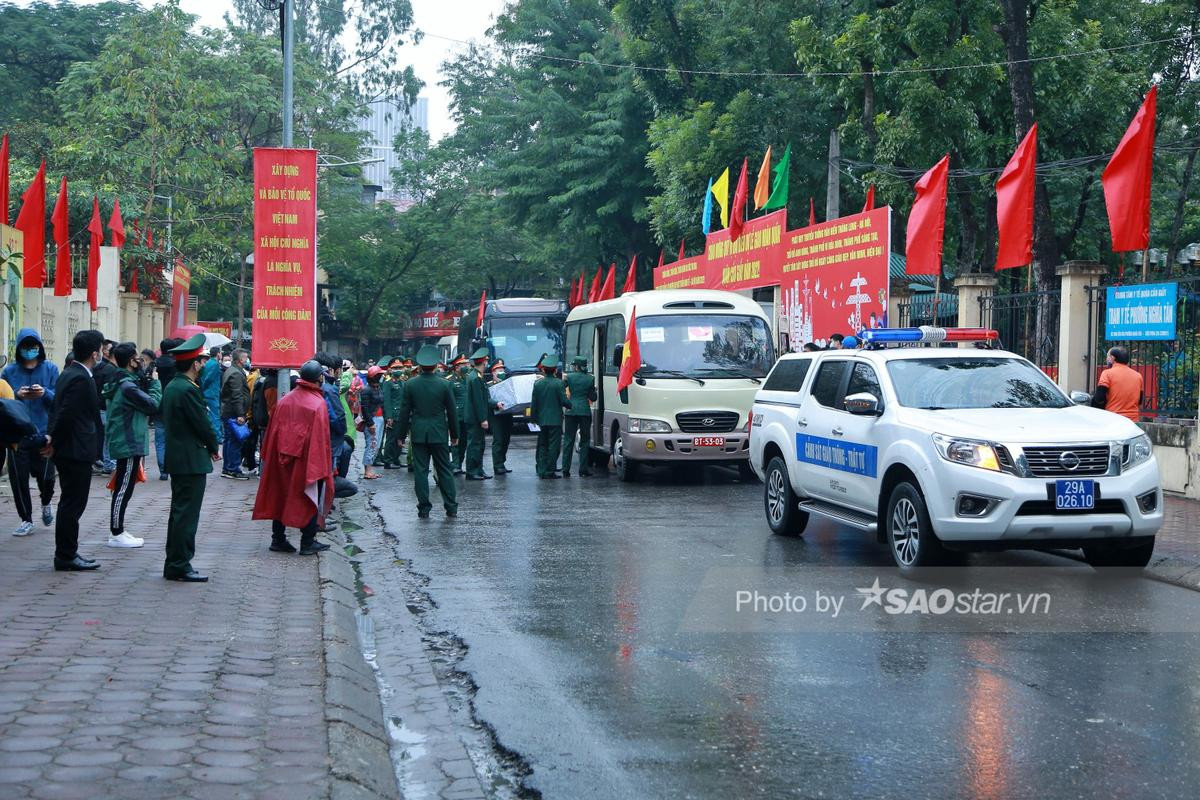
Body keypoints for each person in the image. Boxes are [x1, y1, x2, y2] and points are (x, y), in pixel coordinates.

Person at [253, 360, 334, 555]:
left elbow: (272, 433)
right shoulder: (317, 404)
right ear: (319, 379)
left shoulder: (286, 400)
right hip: (306, 460)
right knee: (309, 496)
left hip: (281, 457)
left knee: (279, 495)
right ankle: (308, 542)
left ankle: (278, 539)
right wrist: (322, 467)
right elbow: (320, 440)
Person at [46, 329, 106, 571]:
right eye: (101, 350)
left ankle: (68, 551)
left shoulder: (71, 372)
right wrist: (54, 441)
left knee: (70, 503)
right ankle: (66, 554)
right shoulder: (80, 377)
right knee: (72, 504)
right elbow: (65, 414)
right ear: (94, 353)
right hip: (75, 450)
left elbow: (58, 410)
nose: (103, 354)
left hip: (72, 448)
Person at [161, 334, 221, 582]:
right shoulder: (187, 389)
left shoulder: (175, 386)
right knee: (186, 515)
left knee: (179, 513)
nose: (204, 365)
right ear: (194, 364)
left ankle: (175, 561)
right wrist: (213, 444)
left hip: (180, 458)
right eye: (201, 361)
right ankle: (179, 564)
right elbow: (202, 424)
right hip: (190, 459)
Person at [103, 342, 161, 548]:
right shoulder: (127, 386)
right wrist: (155, 384)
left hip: (129, 440)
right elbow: (153, 404)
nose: (140, 361)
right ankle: (116, 532)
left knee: (124, 487)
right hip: (127, 441)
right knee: (123, 488)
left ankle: (118, 530)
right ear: (130, 361)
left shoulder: (124, 381)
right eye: (137, 357)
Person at [2, 328, 59, 535]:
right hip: (17, 435)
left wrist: (44, 393)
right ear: (18, 348)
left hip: (43, 433)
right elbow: (4, 401)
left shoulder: (51, 369)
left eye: (33, 346)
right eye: (25, 346)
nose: (29, 350)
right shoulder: (9, 372)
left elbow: (57, 401)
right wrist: (17, 395)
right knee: (19, 479)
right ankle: (26, 518)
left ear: (40, 347)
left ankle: (46, 502)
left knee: (47, 477)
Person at [394, 344, 459, 518]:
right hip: (439, 433)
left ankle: (424, 508)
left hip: (419, 434)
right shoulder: (445, 384)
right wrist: (455, 435)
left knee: (421, 472)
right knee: (445, 470)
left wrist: (400, 436)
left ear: (420, 366)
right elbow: (452, 412)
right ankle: (451, 507)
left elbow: (404, 412)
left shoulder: (410, 384)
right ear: (437, 364)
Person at [530, 356, 571, 479]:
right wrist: (571, 404)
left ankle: (542, 470)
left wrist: (533, 419)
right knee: (554, 447)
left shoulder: (537, 384)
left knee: (542, 445)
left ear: (544, 370)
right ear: (555, 370)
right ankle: (549, 470)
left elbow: (534, 403)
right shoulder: (558, 384)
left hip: (542, 420)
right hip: (555, 420)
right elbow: (564, 401)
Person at [152, 338, 182, 479]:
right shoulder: (177, 365)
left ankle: (163, 469)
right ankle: (173, 466)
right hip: (173, 404)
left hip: (157, 404)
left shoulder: (154, 364)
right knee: (174, 437)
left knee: (160, 438)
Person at [562, 355, 597, 477]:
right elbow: (593, 397)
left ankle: (565, 469)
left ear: (576, 366)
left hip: (571, 410)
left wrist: (565, 401)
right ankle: (583, 470)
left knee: (568, 440)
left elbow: (561, 389)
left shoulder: (569, 377)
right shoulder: (590, 379)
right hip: (584, 411)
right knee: (585, 440)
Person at [219, 348, 251, 479]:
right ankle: (233, 469)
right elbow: (236, 395)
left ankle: (227, 468)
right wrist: (240, 414)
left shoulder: (231, 371)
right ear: (240, 359)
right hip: (233, 412)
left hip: (228, 411)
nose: (247, 360)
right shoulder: (236, 374)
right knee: (234, 441)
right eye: (245, 357)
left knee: (228, 440)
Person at [462, 348, 492, 480]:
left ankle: (479, 469)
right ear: (483, 362)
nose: (487, 363)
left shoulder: (477, 376)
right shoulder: (475, 378)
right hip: (475, 418)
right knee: (474, 445)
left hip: (476, 417)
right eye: (486, 361)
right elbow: (478, 401)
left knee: (480, 445)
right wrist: (483, 419)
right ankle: (472, 471)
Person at [1092, 346, 1143, 422]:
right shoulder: (1138, 376)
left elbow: (1099, 398)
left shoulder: (1107, 374)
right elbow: (1140, 401)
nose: (1107, 359)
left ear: (1112, 358)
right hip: (1133, 420)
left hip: (1113, 419)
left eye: (1108, 356)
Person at [92, 339, 119, 475]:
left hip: (101, 407)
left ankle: (107, 462)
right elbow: (108, 391)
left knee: (106, 437)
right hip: (105, 408)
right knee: (109, 437)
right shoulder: (110, 370)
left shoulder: (105, 368)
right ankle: (109, 464)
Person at [488, 361, 513, 475]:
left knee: (506, 440)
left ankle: (502, 462)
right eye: (499, 370)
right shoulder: (489, 385)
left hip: (507, 415)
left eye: (503, 370)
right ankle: (497, 465)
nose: (502, 372)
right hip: (496, 416)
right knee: (498, 440)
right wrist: (496, 404)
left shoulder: (508, 384)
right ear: (493, 372)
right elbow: (487, 399)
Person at [360, 366, 385, 479]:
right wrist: (370, 423)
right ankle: (367, 471)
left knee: (377, 445)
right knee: (371, 445)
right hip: (372, 420)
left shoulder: (378, 388)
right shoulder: (366, 390)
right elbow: (364, 408)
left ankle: (370, 470)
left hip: (380, 419)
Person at [447, 356, 469, 475]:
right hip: (455, 416)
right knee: (456, 440)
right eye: (463, 365)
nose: (466, 367)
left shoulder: (467, 378)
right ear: (456, 367)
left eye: (466, 364)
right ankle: (455, 464)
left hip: (466, 415)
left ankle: (459, 463)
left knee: (464, 441)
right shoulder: (450, 380)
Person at [199, 346, 223, 442]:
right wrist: (204, 387)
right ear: (218, 354)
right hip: (212, 393)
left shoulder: (207, 363)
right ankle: (216, 437)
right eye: (220, 353)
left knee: (209, 416)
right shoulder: (215, 364)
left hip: (207, 393)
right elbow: (208, 378)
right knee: (215, 416)